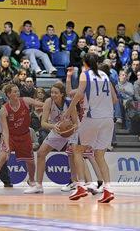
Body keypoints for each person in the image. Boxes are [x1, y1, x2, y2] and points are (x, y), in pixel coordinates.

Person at [65, 53, 117, 203]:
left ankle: (80, 186)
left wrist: (68, 112)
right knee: (99, 155)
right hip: (108, 119)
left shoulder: (85, 74)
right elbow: (114, 99)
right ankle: (108, 189)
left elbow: (79, 94)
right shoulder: (105, 75)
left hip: (93, 117)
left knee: (77, 150)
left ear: (85, 63)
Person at [0, 84, 44, 194]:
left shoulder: (25, 101)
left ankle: (31, 181)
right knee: (2, 157)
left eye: (18, 91)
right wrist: (6, 144)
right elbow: (5, 130)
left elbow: (41, 104)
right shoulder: (4, 109)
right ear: (8, 94)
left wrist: (49, 105)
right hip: (10, 136)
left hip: (25, 135)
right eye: (14, 92)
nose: (17, 93)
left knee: (30, 161)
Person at [24, 82, 78, 194]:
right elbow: (43, 123)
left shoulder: (69, 102)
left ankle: (75, 182)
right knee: (40, 153)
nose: (53, 94)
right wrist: (54, 126)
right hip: (56, 129)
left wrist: (69, 129)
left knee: (73, 153)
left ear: (62, 94)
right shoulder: (49, 102)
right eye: (52, 92)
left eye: (56, 93)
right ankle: (38, 185)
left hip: (72, 130)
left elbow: (76, 122)